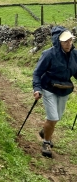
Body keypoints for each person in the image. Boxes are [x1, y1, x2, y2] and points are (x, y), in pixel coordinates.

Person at [32, 26, 77, 158]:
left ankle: (45, 130)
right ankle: (46, 142)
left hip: (64, 89)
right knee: (53, 117)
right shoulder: (49, 54)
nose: (68, 44)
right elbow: (37, 73)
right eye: (65, 42)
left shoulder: (75, 55)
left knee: (57, 117)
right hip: (48, 88)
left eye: (70, 41)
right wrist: (37, 89)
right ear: (58, 42)